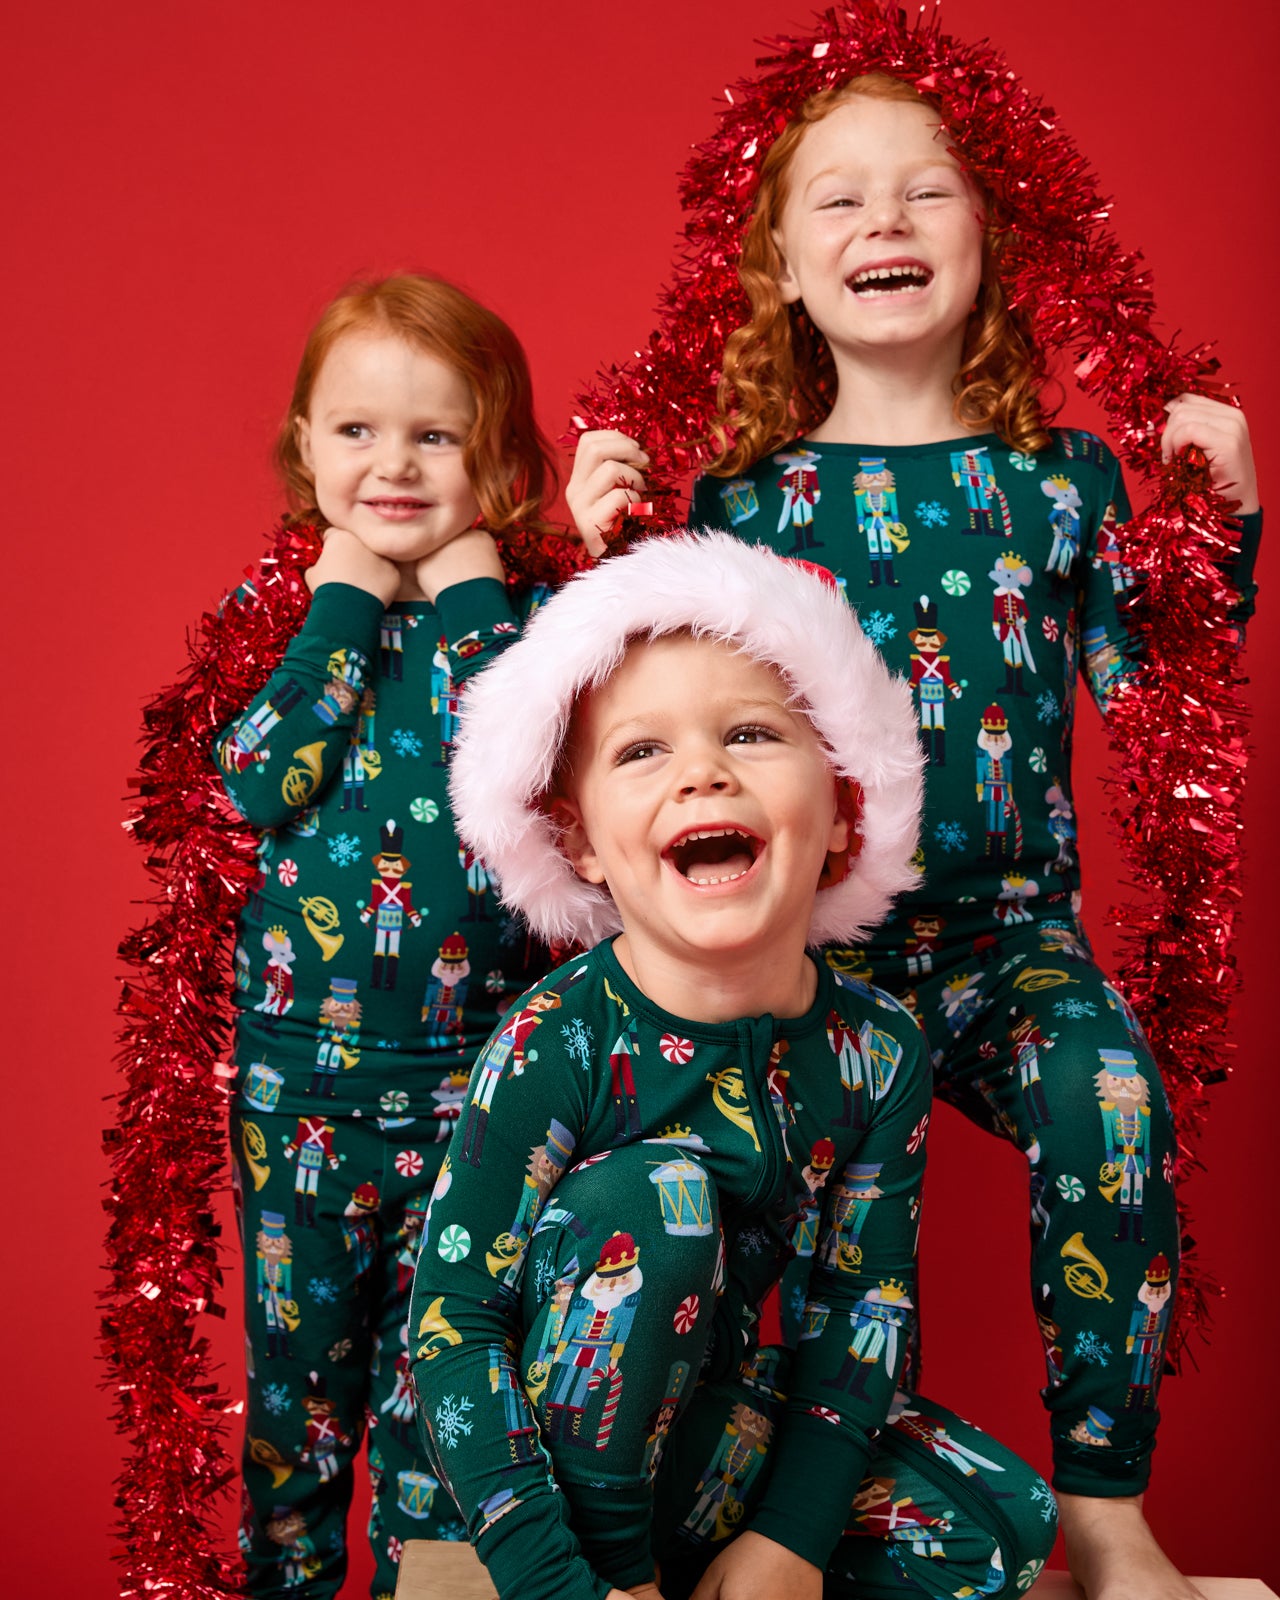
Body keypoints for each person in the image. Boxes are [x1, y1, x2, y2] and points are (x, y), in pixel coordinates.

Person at [564, 74, 1260, 1600]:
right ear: (783, 273)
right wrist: (602, 544)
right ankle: (837, 1536)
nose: (885, 217)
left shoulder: (1062, 482)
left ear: (997, 241)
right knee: (834, 1266)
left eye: (926, 188)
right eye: (839, 196)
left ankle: (1106, 1512)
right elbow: (658, 728)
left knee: (1112, 1104)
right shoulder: (743, 501)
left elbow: (1170, 697)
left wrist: (1222, 528)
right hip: (816, 949)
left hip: (1015, 938)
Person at [410, 532, 1059, 1600]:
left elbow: (861, 1307)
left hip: (705, 1432)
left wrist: (792, 1542)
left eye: (750, 734)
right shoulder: (559, 1037)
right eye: (639, 751)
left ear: (843, 809)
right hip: (542, 1465)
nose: (700, 771)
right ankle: (619, 1575)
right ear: (577, 842)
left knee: (1004, 1526)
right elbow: (451, 1321)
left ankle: (715, 1571)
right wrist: (564, 1580)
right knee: (656, 1196)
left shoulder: (872, 1049)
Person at [216, 274, 565, 1597]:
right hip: (299, 1092)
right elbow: (256, 781)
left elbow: (541, 776)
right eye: (358, 430)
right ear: (304, 444)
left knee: (450, 1413)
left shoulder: (536, 633)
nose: (397, 464)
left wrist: (474, 601)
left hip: (481, 1094)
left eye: (439, 434)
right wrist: (345, 604)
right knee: (298, 1415)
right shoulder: (283, 627)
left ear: (503, 460)